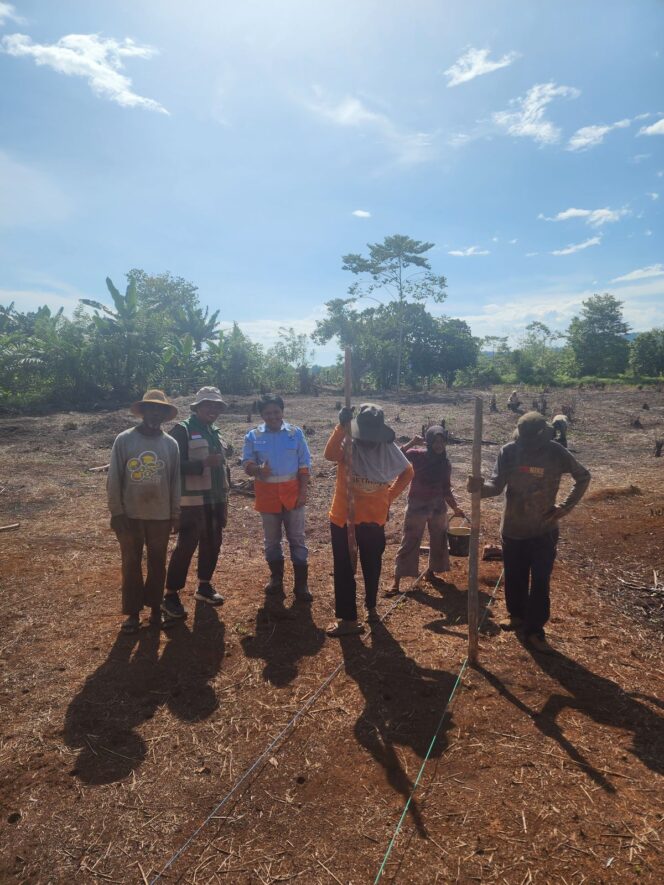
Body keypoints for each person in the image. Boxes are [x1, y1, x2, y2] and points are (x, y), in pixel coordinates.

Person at [467, 411, 590, 654]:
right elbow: (496, 486)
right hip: (513, 527)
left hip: (543, 529)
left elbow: (583, 476)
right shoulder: (509, 452)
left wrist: (565, 507)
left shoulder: (556, 452)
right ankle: (517, 615)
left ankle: (535, 629)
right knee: (514, 575)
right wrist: (479, 488)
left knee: (541, 580)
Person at [324, 404, 414, 636]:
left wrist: (389, 496)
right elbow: (330, 455)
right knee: (344, 568)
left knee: (372, 564)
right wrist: (341, 428)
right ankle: (348, 619)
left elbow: (408, 471)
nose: (369, 441)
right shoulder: (348, 442)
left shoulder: (387, 447)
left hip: (374, 518)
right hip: (344, 517)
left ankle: (371, 606)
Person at [107, 390, 180, 633]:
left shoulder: (170, 444)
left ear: (164, 414)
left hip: (160, 516)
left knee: (158, 563)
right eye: (151, 408)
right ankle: (132, 613)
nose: (155, 413)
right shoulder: (125, 440)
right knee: (131, 563)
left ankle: (156, 608)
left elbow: (175, 482)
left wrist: (175, 514)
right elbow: (114, 478)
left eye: (160, 409)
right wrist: (116, 512)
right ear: (143, 412)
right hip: (130, 516)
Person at [163, 387, 230, 619]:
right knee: (186, 546)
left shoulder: (216, 432)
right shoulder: (182, 431)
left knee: (212, 543)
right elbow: (171, 464)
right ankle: (170, 594)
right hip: (192, 502)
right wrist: (202, 464)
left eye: (217, 406)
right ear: (197, 407)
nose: (213, 409)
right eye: (208, 405)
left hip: (216, 499)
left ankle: (204, 586)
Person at [242, 395, 312, 601]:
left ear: (282, 411)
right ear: (261, 415)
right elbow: (246, 463)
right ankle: (276, 579)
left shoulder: (295, 433)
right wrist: (256, 469)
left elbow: (304, 464)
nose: (272, 416)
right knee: (272, 541)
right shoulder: (253, 436)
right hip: (267, 496)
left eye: (276, 412)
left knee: (297, 539)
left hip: (293, 495)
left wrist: (303, 492)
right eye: (267, 413)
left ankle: (301, 585)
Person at [389, 426, 465, 594]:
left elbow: (446, 488)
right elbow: (396, 456)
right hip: (417, 505)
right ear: (429, 442)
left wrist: (455, 507)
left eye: (442, 441)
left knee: (439, 541)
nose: (439, 445)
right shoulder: (417, 455)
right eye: (435, 441)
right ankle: (397, 581)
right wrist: (412, 442)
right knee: (410, 541)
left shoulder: (445, 463)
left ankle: (431, 572)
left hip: (438, 506)